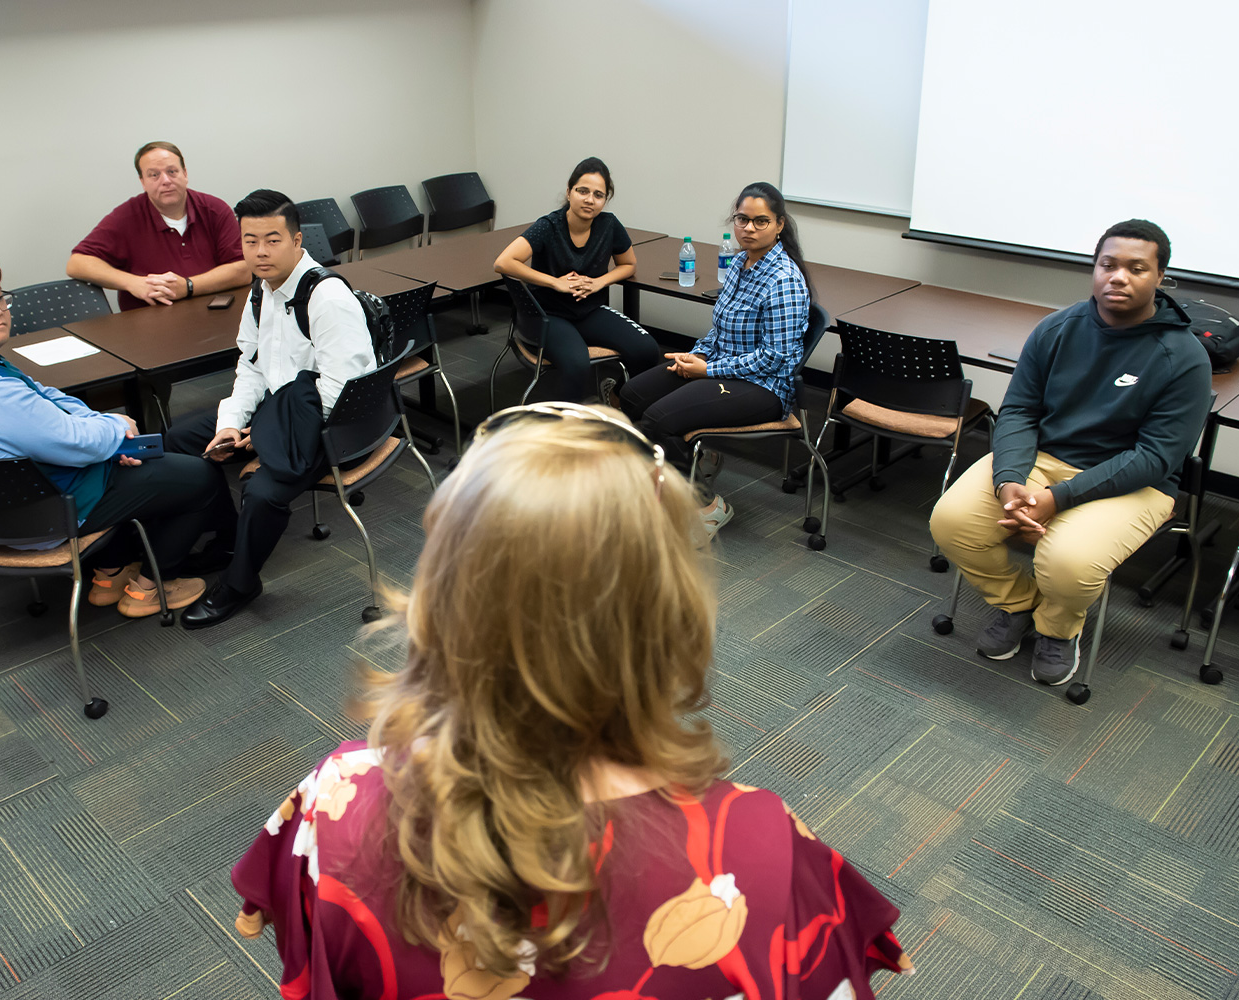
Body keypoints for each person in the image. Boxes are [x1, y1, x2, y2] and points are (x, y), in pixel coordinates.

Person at [230, 403, 912, 1000]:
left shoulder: (333, 800)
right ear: (669, 615)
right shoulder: (763, 854)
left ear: (442, 597)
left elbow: (316, 964)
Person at [930, 219, 1212, 686]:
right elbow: (1019, 410)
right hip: (1043, 459)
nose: (1118, 277)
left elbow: (1156, 457)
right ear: (1094, 269)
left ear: (1161, 278)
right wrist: (1011, 481)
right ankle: (1020, 603)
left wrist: (1058, 498)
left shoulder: (1183, 356)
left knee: (1067, 563)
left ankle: (1059, 629)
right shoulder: (1057, 329)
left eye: (1136, 268)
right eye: (1108, 265)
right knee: (951, 522)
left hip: (1134, 482)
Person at [0, 243, 225, 617]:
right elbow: (75, 444)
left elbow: (40, 395)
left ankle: (110, 574)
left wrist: (96, 426)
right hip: (37, 516)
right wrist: (113, 427)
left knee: (123, 459)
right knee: (196, 475)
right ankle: (151, 589)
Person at [163, 190, 375, 630]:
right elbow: (252, 368)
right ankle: (227, 537)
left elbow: (343, 391)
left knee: (262, 492)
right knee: (182, 441)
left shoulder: (326, 297)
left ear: (298, 241)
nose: (260, 251)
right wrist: (232, 425)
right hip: (281, 410)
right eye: (250, 240)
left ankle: (240, 582)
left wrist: (262, 438)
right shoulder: (260, 293)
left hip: (330, 423)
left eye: (273, 239)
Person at [620, 182, 812, 539]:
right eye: (742, 219)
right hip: (720, 366)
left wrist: (709, 369)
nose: (749, 229)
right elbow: (720, 328)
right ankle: (680, 475)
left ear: (779, 225)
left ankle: (706, 506)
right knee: (632, 394)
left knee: (660, 420)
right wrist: (698, 353)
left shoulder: (784, 280)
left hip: (763, 387)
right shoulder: (740, 262)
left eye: (761, 221)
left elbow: (776, 358)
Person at [494, 157, 659, 401]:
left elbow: (628, 264)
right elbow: (503, 262)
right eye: (583, 191)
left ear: (605, 200)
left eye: (598, 194)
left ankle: (618, 399)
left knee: (647, 350)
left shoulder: (609, 225)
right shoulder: (549, 226)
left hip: (588, 310)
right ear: (569, 191)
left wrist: (600, 282)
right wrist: (555, 282)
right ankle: (569, 429)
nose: (590, 199)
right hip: (546, 314)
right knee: (577, 363)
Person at [66, 141, 252, 311]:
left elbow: (243, 270)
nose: (165, 181)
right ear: (143, 182)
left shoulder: (214, 209)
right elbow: (77, 264)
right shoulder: (127, 217)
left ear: (185, 174)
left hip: (215, 315)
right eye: (154, 175)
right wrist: (133, 283)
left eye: (172, 171)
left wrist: (188, 286)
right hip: (149, 325)